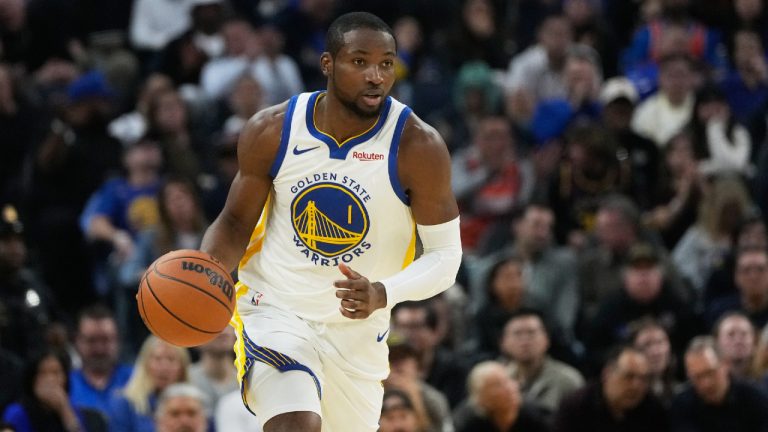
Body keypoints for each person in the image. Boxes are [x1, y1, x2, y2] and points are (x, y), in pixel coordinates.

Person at [198, 11, 462, 432]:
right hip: (275, 309)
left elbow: (446, 257)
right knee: (297, 423)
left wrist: (382, 292)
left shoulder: (418, 146)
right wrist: (202, 272)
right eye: (360, 62)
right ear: (328, 64)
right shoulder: (273, 129)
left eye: (386, 63)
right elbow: (233, 223)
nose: (375, 75)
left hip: (357, 333)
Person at [553, 346, 669, 432]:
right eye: (628, 376)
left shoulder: (653, 408)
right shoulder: (577, 406)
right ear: (607, 374)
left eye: (643, 379)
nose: (636, 385)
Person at [671, 335, 768, 431]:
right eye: (697, 377)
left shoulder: (755, 398)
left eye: (710, 372)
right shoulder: (682, 406)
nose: (706, 383)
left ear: (726, 364)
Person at [3, 350, 106, 432]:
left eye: (56, 373)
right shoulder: (17, 412)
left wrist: (64, 410)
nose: (50, 380)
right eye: (43, 373)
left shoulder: (72, 411)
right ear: (32, 379)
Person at [107, 335, 190, 432]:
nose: (164, 367)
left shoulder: (193, 406)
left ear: (182, 368)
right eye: (158, 359)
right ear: (145, 365)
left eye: (171, 359)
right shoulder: (124, 403)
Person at [69, 305, 133, 419]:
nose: (99, 349)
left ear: (118, 341)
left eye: (106, 340)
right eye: (91, 340)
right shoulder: (66, 385)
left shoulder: (137, 380)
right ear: (77, 341)